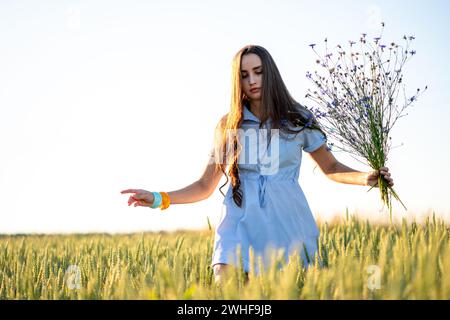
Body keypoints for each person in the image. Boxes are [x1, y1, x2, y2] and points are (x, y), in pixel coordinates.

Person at [120, 45, 394, 285]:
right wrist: (159, 198)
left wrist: (366, 177)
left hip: (288, 223)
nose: (252, 80)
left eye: (258, 71)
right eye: (243, 75)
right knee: (225, 287)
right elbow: (205, 185)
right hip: (239, 222)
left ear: (270, 73)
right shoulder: (229, 125)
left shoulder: (298, 119)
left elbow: (331, 167)